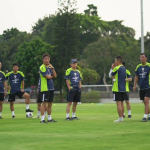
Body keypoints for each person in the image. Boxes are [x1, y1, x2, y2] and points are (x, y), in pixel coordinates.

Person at [39, 53, 57, 123]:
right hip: (45, 88)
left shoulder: (50, 68)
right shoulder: (42, 67)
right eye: (46, 59)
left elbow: (55, 75)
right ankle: (42, 119)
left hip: (51, 88)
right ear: (43, 60)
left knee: (50, 103)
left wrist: (52, 68)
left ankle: (49, 118)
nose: (47, 60)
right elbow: (48, 77)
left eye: (48, 59)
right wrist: (51, 76)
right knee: (44, 103)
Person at [133, 53, 150, 122]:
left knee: (146, 100)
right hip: (141, 86)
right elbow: (136, 76)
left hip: (148, 86)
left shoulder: (149, 66)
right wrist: (134, 85)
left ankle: (145, 116)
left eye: (143, 57)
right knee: (144, 102)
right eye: (140, 57)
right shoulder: (138, 67)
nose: (141, 59)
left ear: (146, 58)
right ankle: (149, 115)